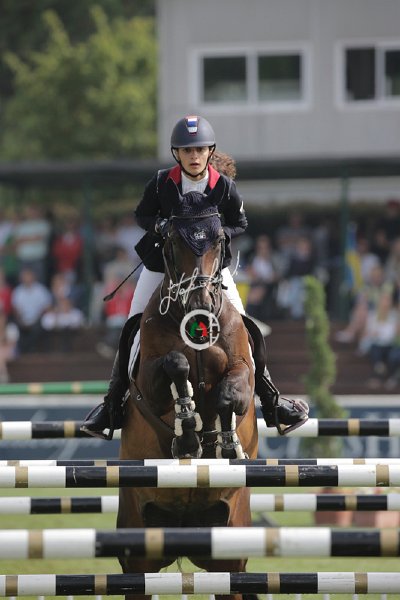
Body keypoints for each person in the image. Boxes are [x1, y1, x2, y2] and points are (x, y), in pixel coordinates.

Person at [82, 115, 308, 438]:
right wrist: (160, 226)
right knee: (132, 326)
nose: (193, 155)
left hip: (211, 270)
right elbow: (142, 215)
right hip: (163, 267)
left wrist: (219, 235)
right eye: (187, 150)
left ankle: (271, 400)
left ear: (209, 151)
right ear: (177, 153)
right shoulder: (162, 182)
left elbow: (240, 223)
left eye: (199, 149)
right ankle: (112, 403)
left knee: (245, 326)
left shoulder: (223, 186)